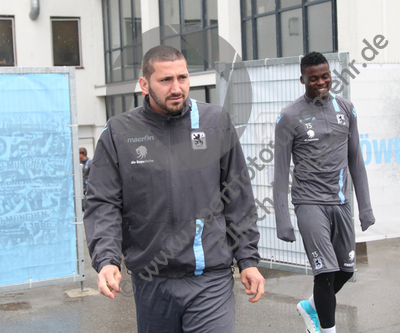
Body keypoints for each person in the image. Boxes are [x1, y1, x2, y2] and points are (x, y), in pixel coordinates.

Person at [84, 45, 265, 332]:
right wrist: (107, 259)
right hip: (152, 279)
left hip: (210, 277)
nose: (177, 87)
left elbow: (238, 196)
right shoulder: (119, 132)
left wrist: (248, 259)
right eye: (165, 80)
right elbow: (103, 202)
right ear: (144, 84)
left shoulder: (215, 122)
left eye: (183, 77)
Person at [273, 52, 375, 333]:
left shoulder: (346, 108)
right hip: (309, 203)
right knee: (325, 272)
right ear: (302, 79)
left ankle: (310, 306)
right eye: (314, 78)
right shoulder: (289, 116)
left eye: (325, 76)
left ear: (331, 74)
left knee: (345, 270)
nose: (321, 82)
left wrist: (364, 207)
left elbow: (356, 161)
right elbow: (280, 173)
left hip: (341, 203)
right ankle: (325, 330)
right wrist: (283, 219)